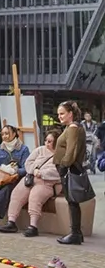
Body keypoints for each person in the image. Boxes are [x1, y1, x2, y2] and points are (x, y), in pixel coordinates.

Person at [0, 130, 62, 237]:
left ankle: (33, 226)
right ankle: (11, 222)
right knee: (16, 194)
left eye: (50, 141)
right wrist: (34, 170)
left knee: (35, 197)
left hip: (46, 183)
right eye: (46, 140)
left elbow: (58, 172)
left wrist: (42, 173)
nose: (47, 143)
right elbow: (28, 162)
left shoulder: (60, 155)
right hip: (31, 178)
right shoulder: (40, 150)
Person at [55, 100, 88, 245]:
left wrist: (63, 165)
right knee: (72, 201)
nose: (59, 117)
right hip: (69, 167)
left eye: (62, 113)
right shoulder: (71, 127)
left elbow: (71, 151)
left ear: (70, 114)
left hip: (69, 168)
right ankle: (76, 233)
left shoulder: (73, 128)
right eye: (58, 114)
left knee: (72, 201)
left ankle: (75, 233)